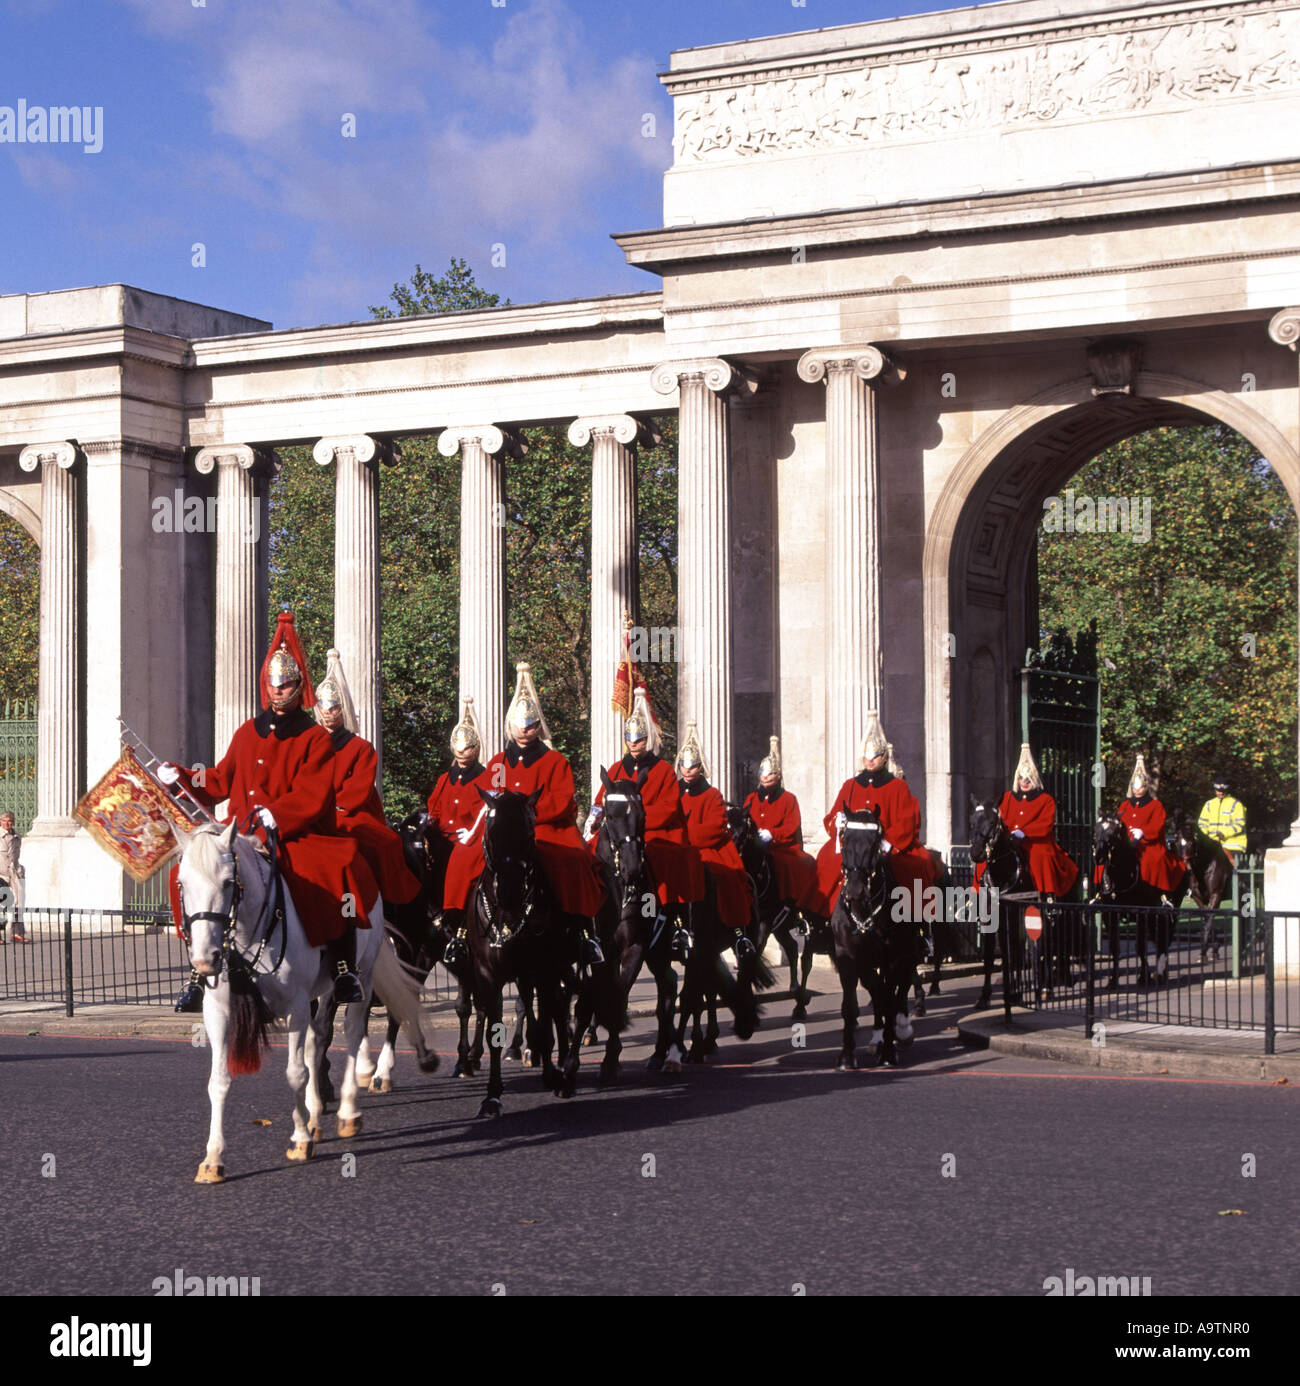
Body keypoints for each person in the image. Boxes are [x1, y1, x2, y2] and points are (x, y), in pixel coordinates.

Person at [160, 612, 379, 1011]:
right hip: (240, 832)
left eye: (287, 685)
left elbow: (315, 794)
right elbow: (220, 780)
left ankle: (344, 967)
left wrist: (278, 814)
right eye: (274, 685)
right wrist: (179, 775)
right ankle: (199, 968)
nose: (279, 692)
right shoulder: (247, 731)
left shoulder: (314, 738)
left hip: (292, 833)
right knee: (185, 872)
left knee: (338, 870)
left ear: (299, 687)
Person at [484, 663, 606, 966]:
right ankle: (460, 929)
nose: (525, 730)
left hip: (547, 829)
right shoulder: (498, 762)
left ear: (538, 726)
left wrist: (528, 815)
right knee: (466, 859)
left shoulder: (555, 761)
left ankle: (583, 931)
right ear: (510, 726)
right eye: (520, 725)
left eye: (531, 725)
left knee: (574, 860)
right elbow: (490, 797)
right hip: (507, 834)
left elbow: (564, 802)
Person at [584, 684, 705, 961]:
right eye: (630, 738)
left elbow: (669, 807)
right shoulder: (615, 769)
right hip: (621, 836)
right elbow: (602, 799)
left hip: (654, 834)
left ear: (647, 739)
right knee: (589, 859)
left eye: (638, 739)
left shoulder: (663, 770)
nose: (634, 743)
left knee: (663, 863)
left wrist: (636, 822)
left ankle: (671, 923)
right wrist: (594, 816)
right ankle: (589, 926)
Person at [313, 647, 422, 918]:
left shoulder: (361, 747)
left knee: (386, 845)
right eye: (324, 707)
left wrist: (332, 808)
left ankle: (391, 907)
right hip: (313, 812)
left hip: (349, 814)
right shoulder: (307, 745)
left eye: (334, 707)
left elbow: (357, 791)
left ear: (342, 709)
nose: (328, 713)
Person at [802, 710, 937, 919]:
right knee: (827, 858)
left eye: (875, 757)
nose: (870, 761)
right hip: (855, 846)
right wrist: (838, 823)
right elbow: (833, 816)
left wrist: (889, 842)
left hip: (887, 846)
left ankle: (919, 923)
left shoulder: (898, 786)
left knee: (916, 866)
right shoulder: (851, 785)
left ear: (883, 758)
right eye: (867, 756)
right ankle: (820, 920)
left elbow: (908, 820)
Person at [676, 721, 756, 958]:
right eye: (683, 766)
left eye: (692, 766)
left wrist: (685, 835)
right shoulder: (672, 791)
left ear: (700, 767)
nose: (687, 771)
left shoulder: (713, 795)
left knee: (727, 879)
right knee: (649, 882)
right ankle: (651, 920)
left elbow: (715, 826)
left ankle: (738, 932)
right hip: (677, 849)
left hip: (707, 849)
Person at [427, 696, 492, 969]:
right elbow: (434, 810)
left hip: (470, 839)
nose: (461, 758)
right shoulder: (444, 779)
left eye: (466, 751)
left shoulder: (486, 777)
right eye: (458, 752)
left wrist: (471, 834)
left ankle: (456, 921)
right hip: (444, 838)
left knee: (462, 860)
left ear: (474, 751)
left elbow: (485, 813)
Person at [974, 744, 1079, 895]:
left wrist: (1024, 833)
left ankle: (1047, 896)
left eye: (1028, 779)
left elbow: (1046, 825)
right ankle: (976, 895)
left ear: (1034, 780)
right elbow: (999, 820)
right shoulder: (1007, 797)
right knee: (986, 854)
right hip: (1008, 840)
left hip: (1034, 841)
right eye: (1022, 778)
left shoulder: (1046, 800)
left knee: (1039, 855)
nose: (1024, 782)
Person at [741, 737, 816, 932]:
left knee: (784, 865)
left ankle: (789, 906)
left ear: (778, 776)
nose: (765, 779)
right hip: (755, 847)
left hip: (781, 848)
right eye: (763, 776)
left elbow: (792, 826)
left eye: (770, 775)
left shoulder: (789, 799)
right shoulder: (751, 798)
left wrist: (772, 834)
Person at [1106, 753, 1185, 899]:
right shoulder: (1125, 804)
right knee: (1107, 859)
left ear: (1145, 787)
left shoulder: (1156, 805)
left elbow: (1158, 825)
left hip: (1149, 844)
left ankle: (1160, 894)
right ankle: (1104, 891)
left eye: (1140, 787)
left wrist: (1143, 832)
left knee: (1154, 860)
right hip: (1126, 842)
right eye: (1134, 787)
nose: (1137, 790)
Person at [1197, 774, 1247, 862]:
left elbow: (1239, 825)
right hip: (1213, 843)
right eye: (1218, 790)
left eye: (1223, 790)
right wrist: (1209, 834)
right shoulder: (1209, 804)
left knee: (1235, 872)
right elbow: (1202, 823)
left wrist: (1223, 833)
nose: (1220, 792)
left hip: (1233, 845)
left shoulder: (1236, 804)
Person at [0, 811, 24, 942]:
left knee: (18, 902)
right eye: (5, 821)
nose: (7, 823)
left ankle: (17, 933)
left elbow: (16, 855)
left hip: (14, 873)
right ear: (0, 821)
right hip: (1, 874)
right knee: (2, 903)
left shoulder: (16, 836)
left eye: (10, 821)